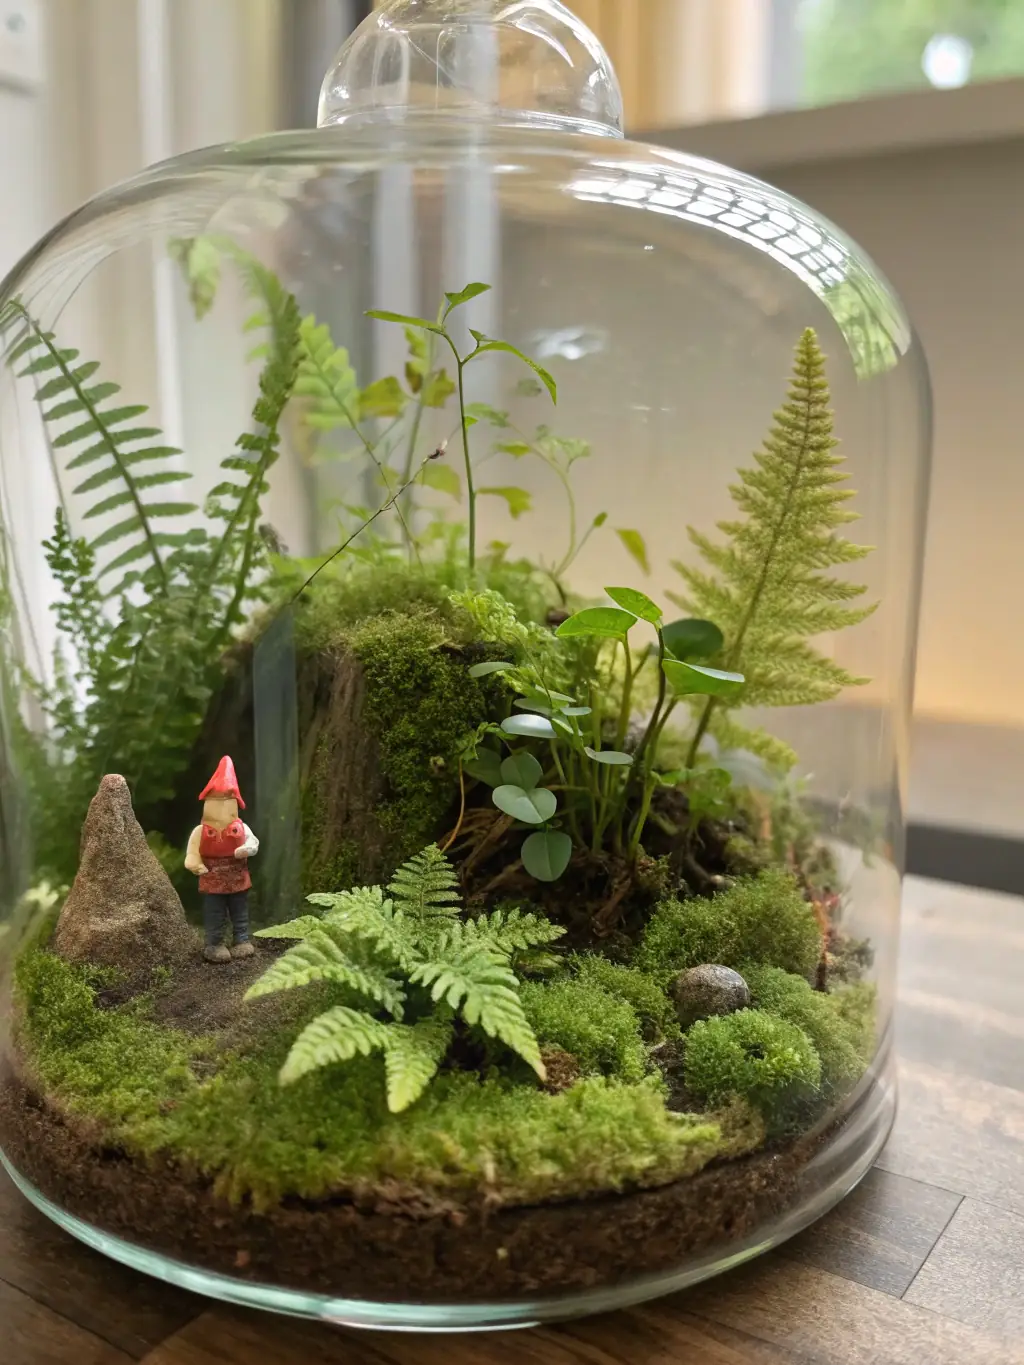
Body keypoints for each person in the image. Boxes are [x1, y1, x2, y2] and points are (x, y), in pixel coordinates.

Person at [184, 756, 259, 963]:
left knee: (239, 910)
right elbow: (192, 853)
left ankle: (241, 940)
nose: (221, 808)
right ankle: (214, 944)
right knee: (215, 913)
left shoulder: (242, 828)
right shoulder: (200, 831)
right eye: (216, 802)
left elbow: (253, 843)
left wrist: (246, 849)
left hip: (237, 877)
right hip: (212, 878)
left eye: (226, 802)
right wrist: (194, 864)